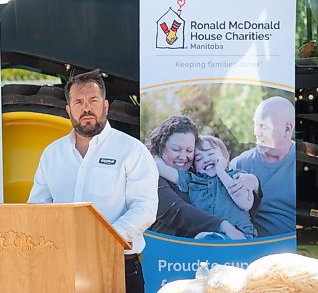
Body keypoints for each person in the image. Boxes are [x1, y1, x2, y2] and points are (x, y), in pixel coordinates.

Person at [28, 69, 158, 293]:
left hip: (119, 265)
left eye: (92, 100)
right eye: (78, 102)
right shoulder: (52, 154)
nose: (86, 108)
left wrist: (103, 240)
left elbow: (145, 208)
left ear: (105, 106)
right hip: (64, 266)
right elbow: (36, 209)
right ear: (69, 110)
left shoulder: (131, 150)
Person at [146, 116, 249, 239]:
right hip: (165, 252)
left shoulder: (199, 172)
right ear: (160, 147)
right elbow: (177, 211)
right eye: (176, 149)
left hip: (207, 252)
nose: (183, 156)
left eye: (189, 150)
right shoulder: (150, 176)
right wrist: (223, 225)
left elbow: (237, 201)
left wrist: (253, 183)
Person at [231, 96, 296, 237]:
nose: (256, 132)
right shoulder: (240, 164)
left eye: (264, 126)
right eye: (256, 125)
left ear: (287, 129)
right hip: (257, 251)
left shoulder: (307, 162)